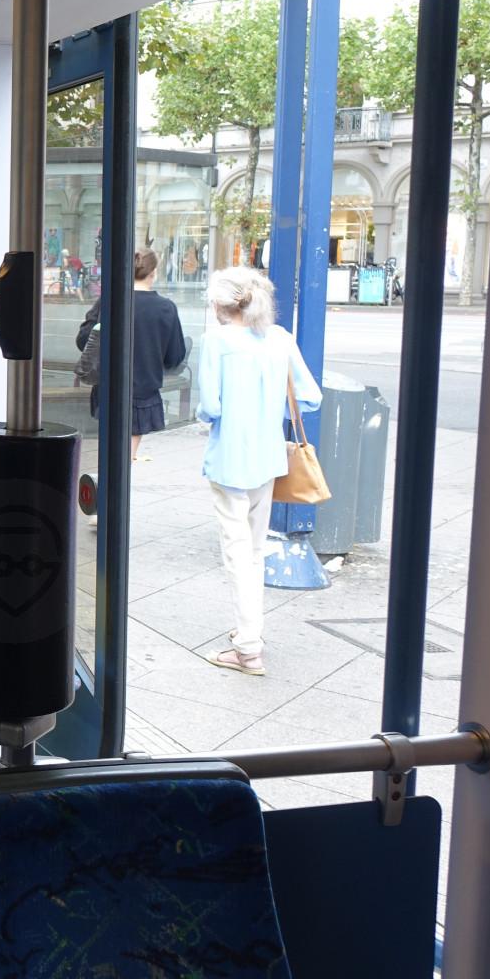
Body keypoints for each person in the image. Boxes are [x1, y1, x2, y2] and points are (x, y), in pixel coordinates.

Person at [195, 266, 321, 676]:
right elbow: (310, 397)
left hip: (230, 459)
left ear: (221, 303)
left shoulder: (217, 341)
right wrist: (268, 406)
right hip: (268, 459)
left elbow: (210, 407)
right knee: (252, 549)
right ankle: (249, 632)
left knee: (237, 553)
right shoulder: (279, 338)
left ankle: (249, 648)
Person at [74, 250, 188, 460]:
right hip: (144, 391)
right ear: (154, 272)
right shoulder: (166, 308)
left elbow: (83, 341)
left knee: (110, 452)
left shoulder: (109, 301)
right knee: (126, 458)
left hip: (108, 389)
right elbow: (174, 356)